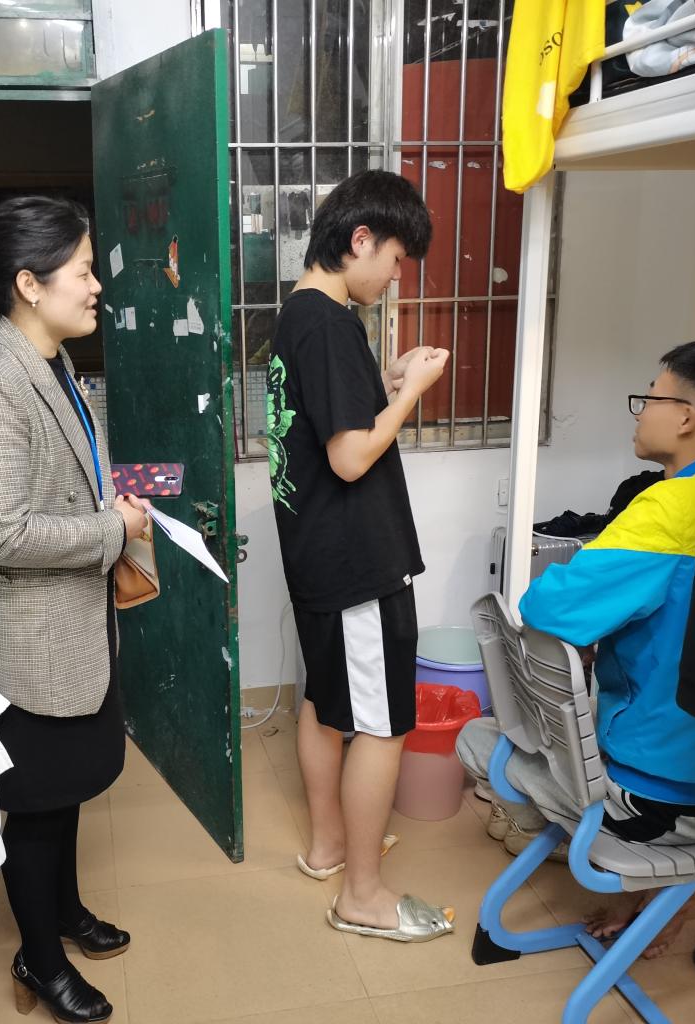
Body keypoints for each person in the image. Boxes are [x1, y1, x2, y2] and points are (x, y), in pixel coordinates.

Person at [458, 336, 695, 957]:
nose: (640, 413)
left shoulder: (674, 505)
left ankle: (645, 878)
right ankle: (646, 898)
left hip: (658, 798)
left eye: (651, 398)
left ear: (687, 416)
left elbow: (548, 608)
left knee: (480, 740)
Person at [0, 197, 149, 1023]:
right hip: (23, 647)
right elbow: (3, 534)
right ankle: (40, 959)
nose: (97, 286)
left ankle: (65, 912)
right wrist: (113, 528)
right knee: (35, 807)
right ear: (29, 283)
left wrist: (118, 506)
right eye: (84, 272)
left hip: (71, 628)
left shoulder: (52, 361)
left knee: (66, 793)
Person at [266, 169, 453, 943]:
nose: (396, 276)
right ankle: (363, 897)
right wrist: (411, 394)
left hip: (316, 556)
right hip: (356, 564)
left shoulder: (299, 314)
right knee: (381, 724)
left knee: (324, 703)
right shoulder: (332, 323)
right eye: (396, 260)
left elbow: (329, 420)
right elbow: (349, 458)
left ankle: (329, 848)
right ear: (360, 239)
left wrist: (387, 382)